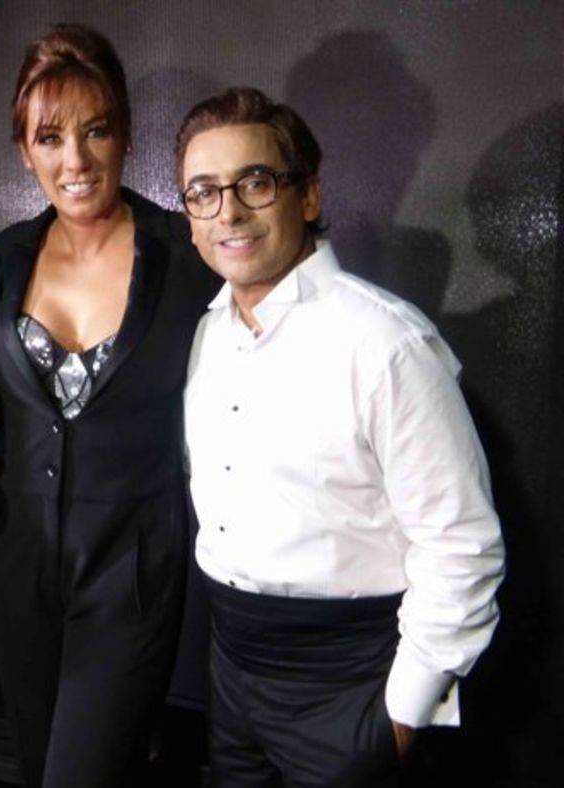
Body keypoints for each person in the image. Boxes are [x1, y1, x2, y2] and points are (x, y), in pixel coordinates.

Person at [177, 87, 505, 787]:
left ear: (308, 196)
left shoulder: (386, 343)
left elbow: (463, 545)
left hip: (350, 681)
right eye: (203, 192)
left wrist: (400, 718)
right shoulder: (208, 334)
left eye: (254, 183)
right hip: (229, 668)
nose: (228, 211)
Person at [0, 24, 220, 788]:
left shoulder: (188, 254)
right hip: (18, 573)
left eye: (97, 130)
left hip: (132, 579)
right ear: (24, 151)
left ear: (126, 135)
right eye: (50, 137)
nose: (76, 160)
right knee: (34, 767)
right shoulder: (0, 258)